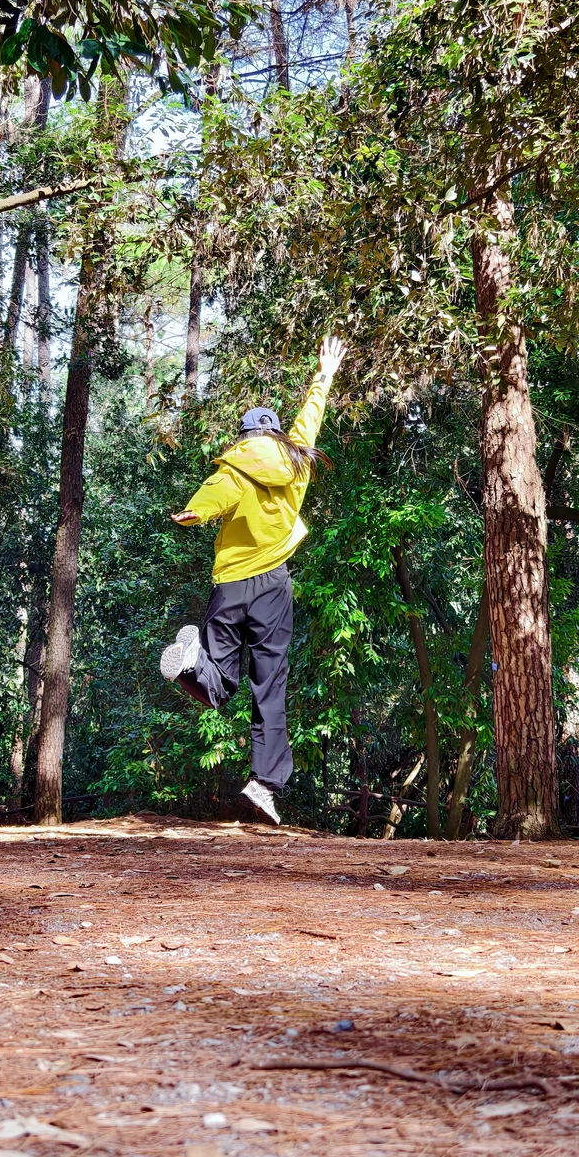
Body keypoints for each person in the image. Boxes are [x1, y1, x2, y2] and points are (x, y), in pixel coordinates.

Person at [160, 335, 347, 825]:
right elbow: (312, 415)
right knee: (270, 683)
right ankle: (265, 783)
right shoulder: (298, 458)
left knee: (219, 680)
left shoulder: (235, 468)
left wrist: (192, 515)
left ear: (244, 436)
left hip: (230, 585)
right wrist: (323, 373)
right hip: (273, 588)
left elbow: (211, 498)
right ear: (278, 435)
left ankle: (191, 669)